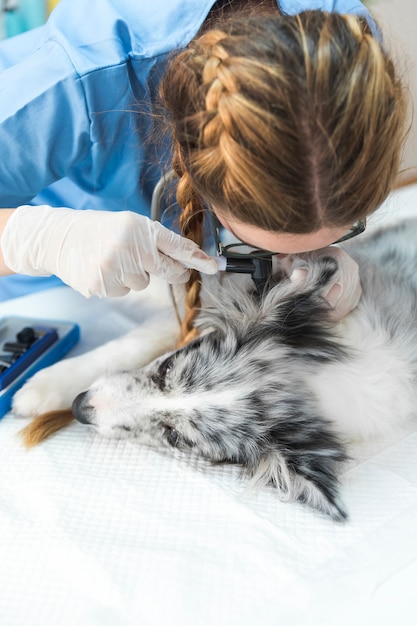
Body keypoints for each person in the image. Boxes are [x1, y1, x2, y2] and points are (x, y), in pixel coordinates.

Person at [0, 1, 407, 344]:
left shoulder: (351, 53)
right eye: (261, 243)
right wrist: (41, 241)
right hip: (48, 274)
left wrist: (322, 248)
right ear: (195, 174)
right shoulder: (75, 80)